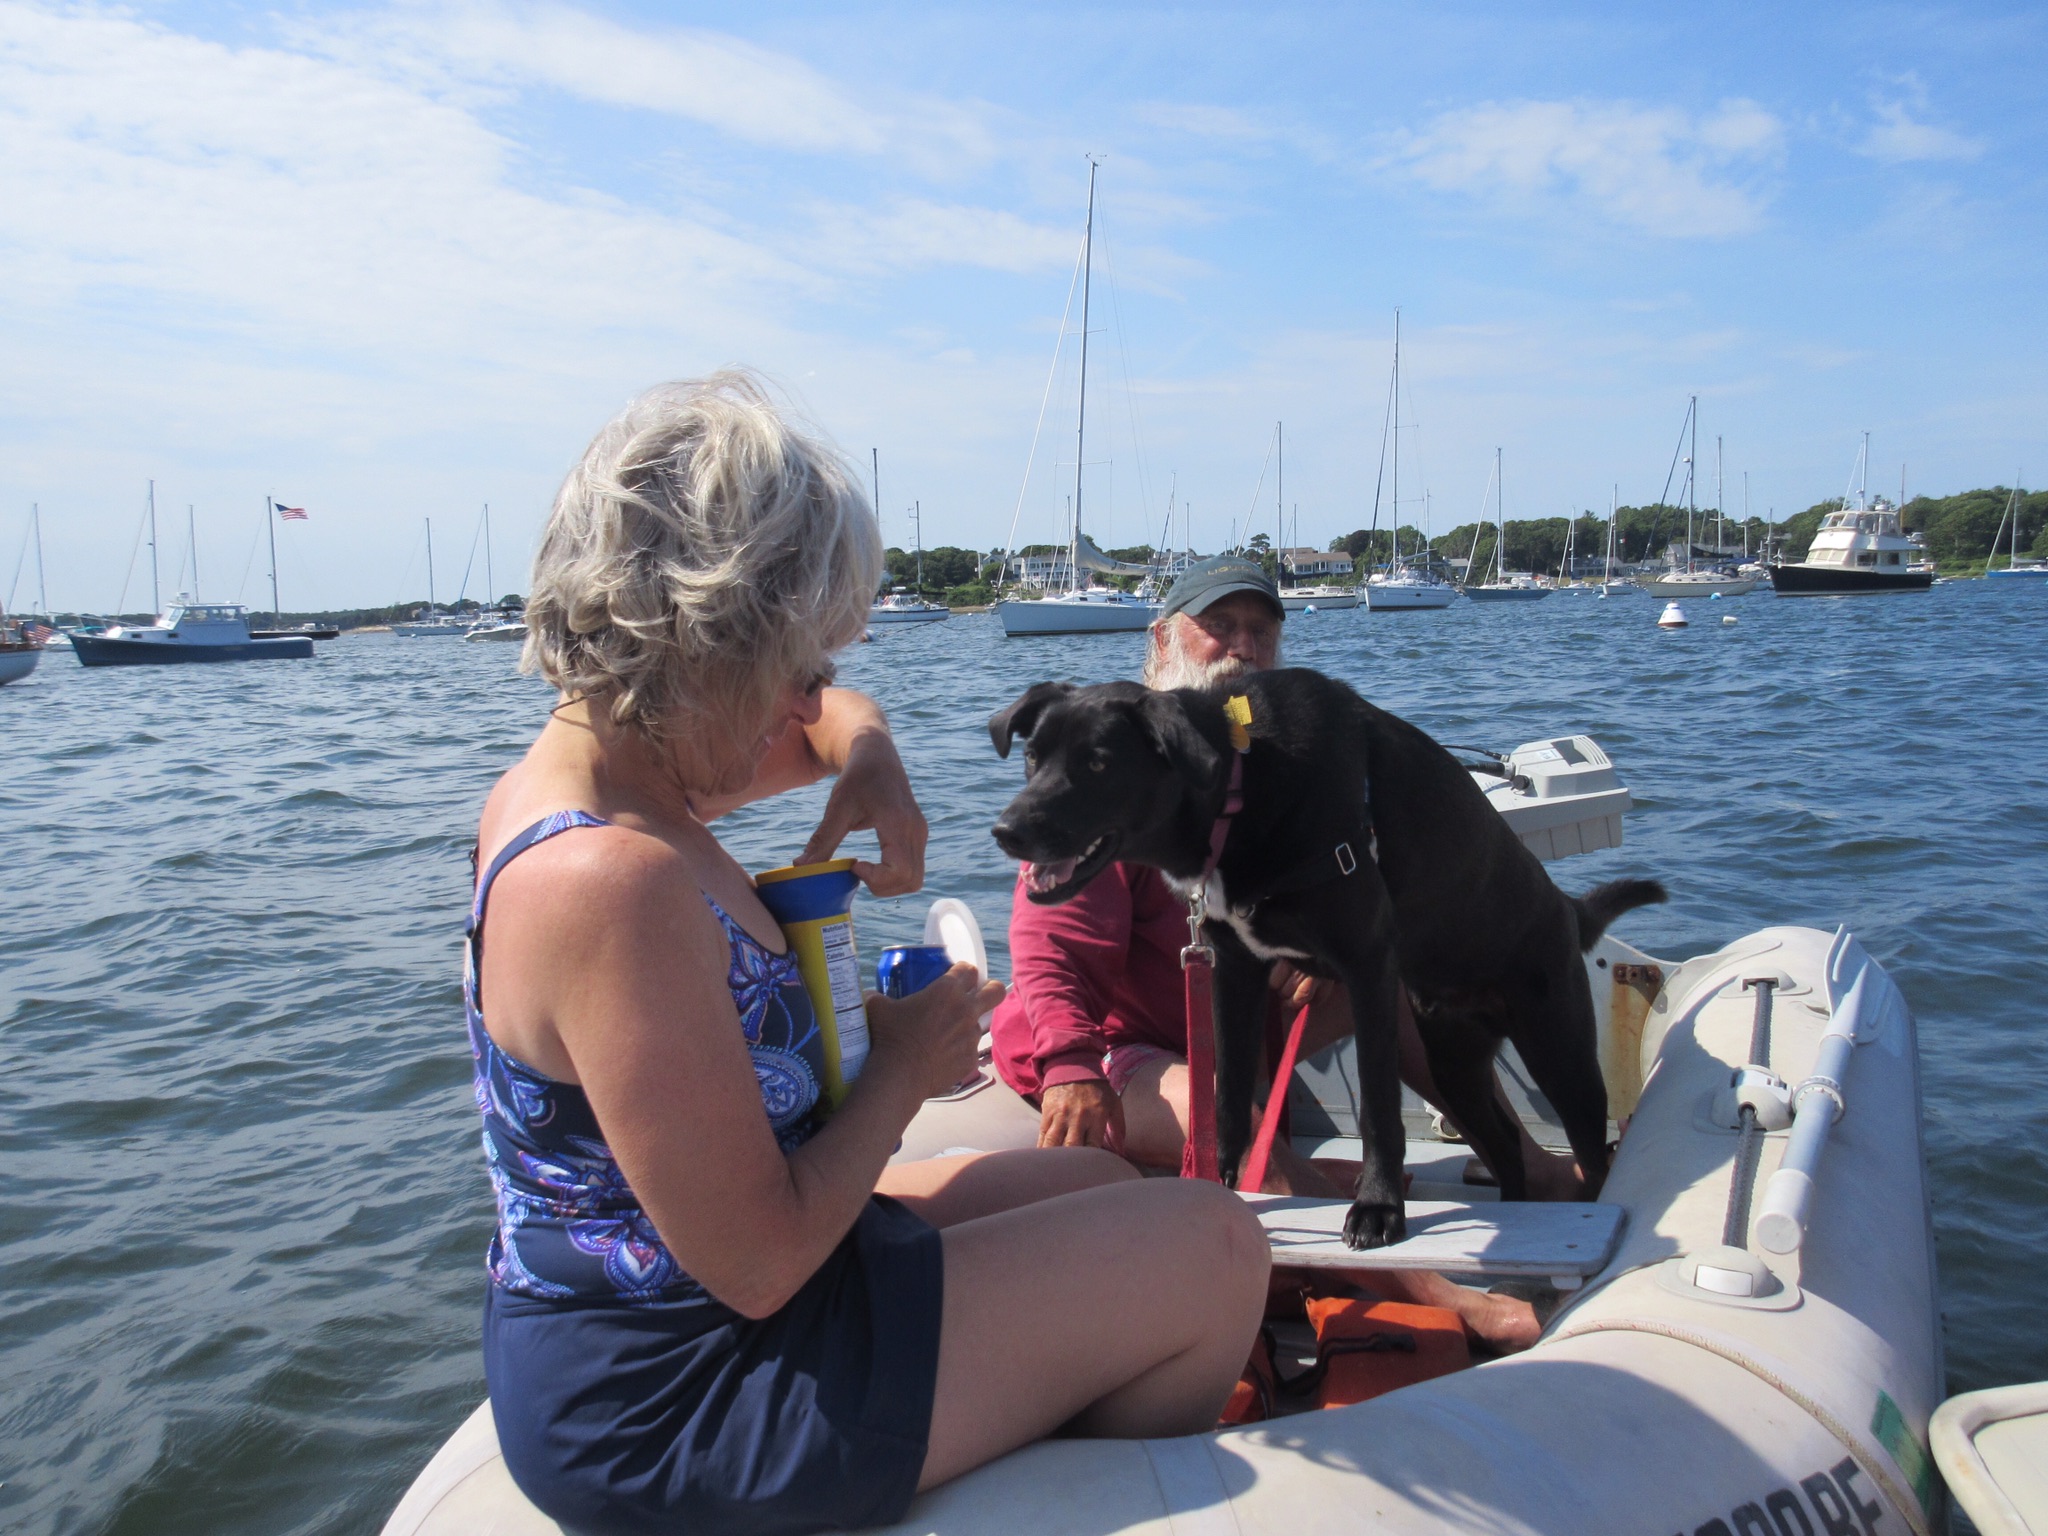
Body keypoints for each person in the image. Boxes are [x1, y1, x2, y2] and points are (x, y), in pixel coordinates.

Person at [468, 375, 1269, 1535]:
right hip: (685, 1386)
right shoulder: (609, 881)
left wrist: (873, 762)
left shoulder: (623, 774)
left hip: (718, 1303)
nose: (814, 698)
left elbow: (840, 722)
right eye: (798, 663)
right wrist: (904, 1065)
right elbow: (757, 1263)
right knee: (1214, 1248)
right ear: (708, 636)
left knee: (1101, 1180)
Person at [989, 554, 1580, 1348]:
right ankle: (1436, 1292)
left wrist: (1318, 950)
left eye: (1260, 633)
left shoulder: (1264, 762)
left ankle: (1528, 1165)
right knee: (1238, 1133)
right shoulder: (1115, 768)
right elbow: (1050, 942)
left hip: (1243, 1022)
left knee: (1383, 981)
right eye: (1218, 628)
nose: (1240, 647)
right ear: (1163, 638)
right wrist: (1067, 1062)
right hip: (1120, 1050)